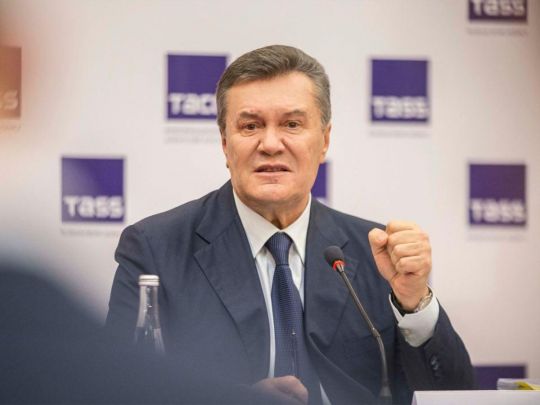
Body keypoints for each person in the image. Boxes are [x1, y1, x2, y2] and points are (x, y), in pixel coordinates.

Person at [106, 45, 474, 404]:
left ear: (324, 141)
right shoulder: (156, 249)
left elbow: (454, 396)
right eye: (251, 126)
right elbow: (118, 387)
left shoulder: (376, 253)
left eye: (292, 124)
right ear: (225, 143)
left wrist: (415, 303)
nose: (270, 144)